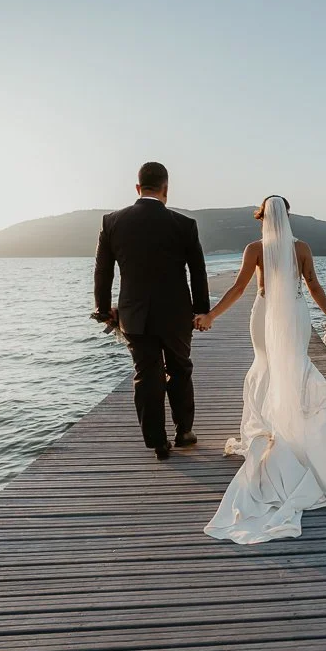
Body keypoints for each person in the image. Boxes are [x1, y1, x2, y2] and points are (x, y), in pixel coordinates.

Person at [194, 195, 326, 544]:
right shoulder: (302, 248)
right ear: (288, 217)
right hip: (294, 314)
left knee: (263, 367)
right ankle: (291, 430)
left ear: (261, 218)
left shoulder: (254, 248)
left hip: (264, 315)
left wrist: (211, 316)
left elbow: (238, 288)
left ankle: (268, 430)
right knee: (294, 367)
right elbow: (313, 285)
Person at [93, 162, 209, 459]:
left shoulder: (112, 222)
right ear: (166, 190)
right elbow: (198, 272)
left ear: (137, 187)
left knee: (146, 374)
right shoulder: (184, 225)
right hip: (176, 314)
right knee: (180, 370)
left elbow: (103, 271)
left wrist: (104, 309)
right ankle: (184, 432)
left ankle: (157, 442)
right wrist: (201, 310)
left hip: (135, 314)